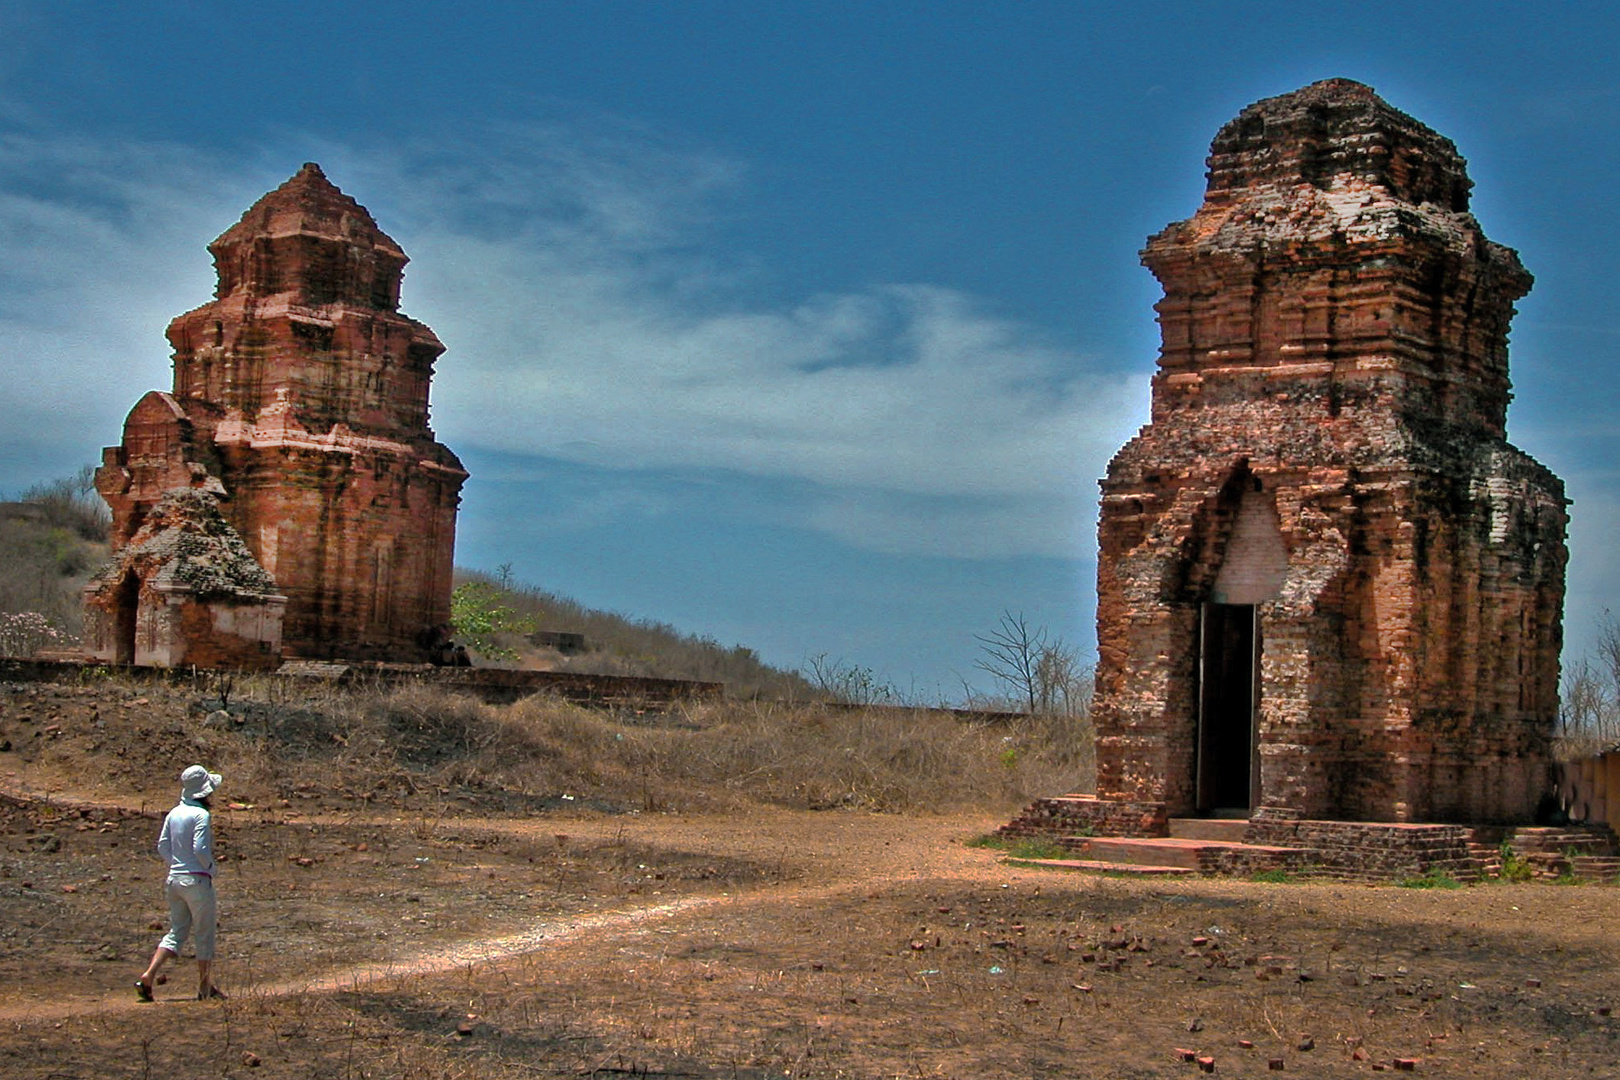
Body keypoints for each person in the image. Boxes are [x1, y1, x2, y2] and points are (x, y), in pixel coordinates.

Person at [135, 764, 226, 1001]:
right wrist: (209, 868)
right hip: (197, 880)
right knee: (204, 934)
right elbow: (200, 848)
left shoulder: (174, 813)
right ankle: (205, 988)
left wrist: (176, 864)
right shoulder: (201, 815)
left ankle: (149, 974)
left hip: (174, 880)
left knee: (177, 931)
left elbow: (162, 846)